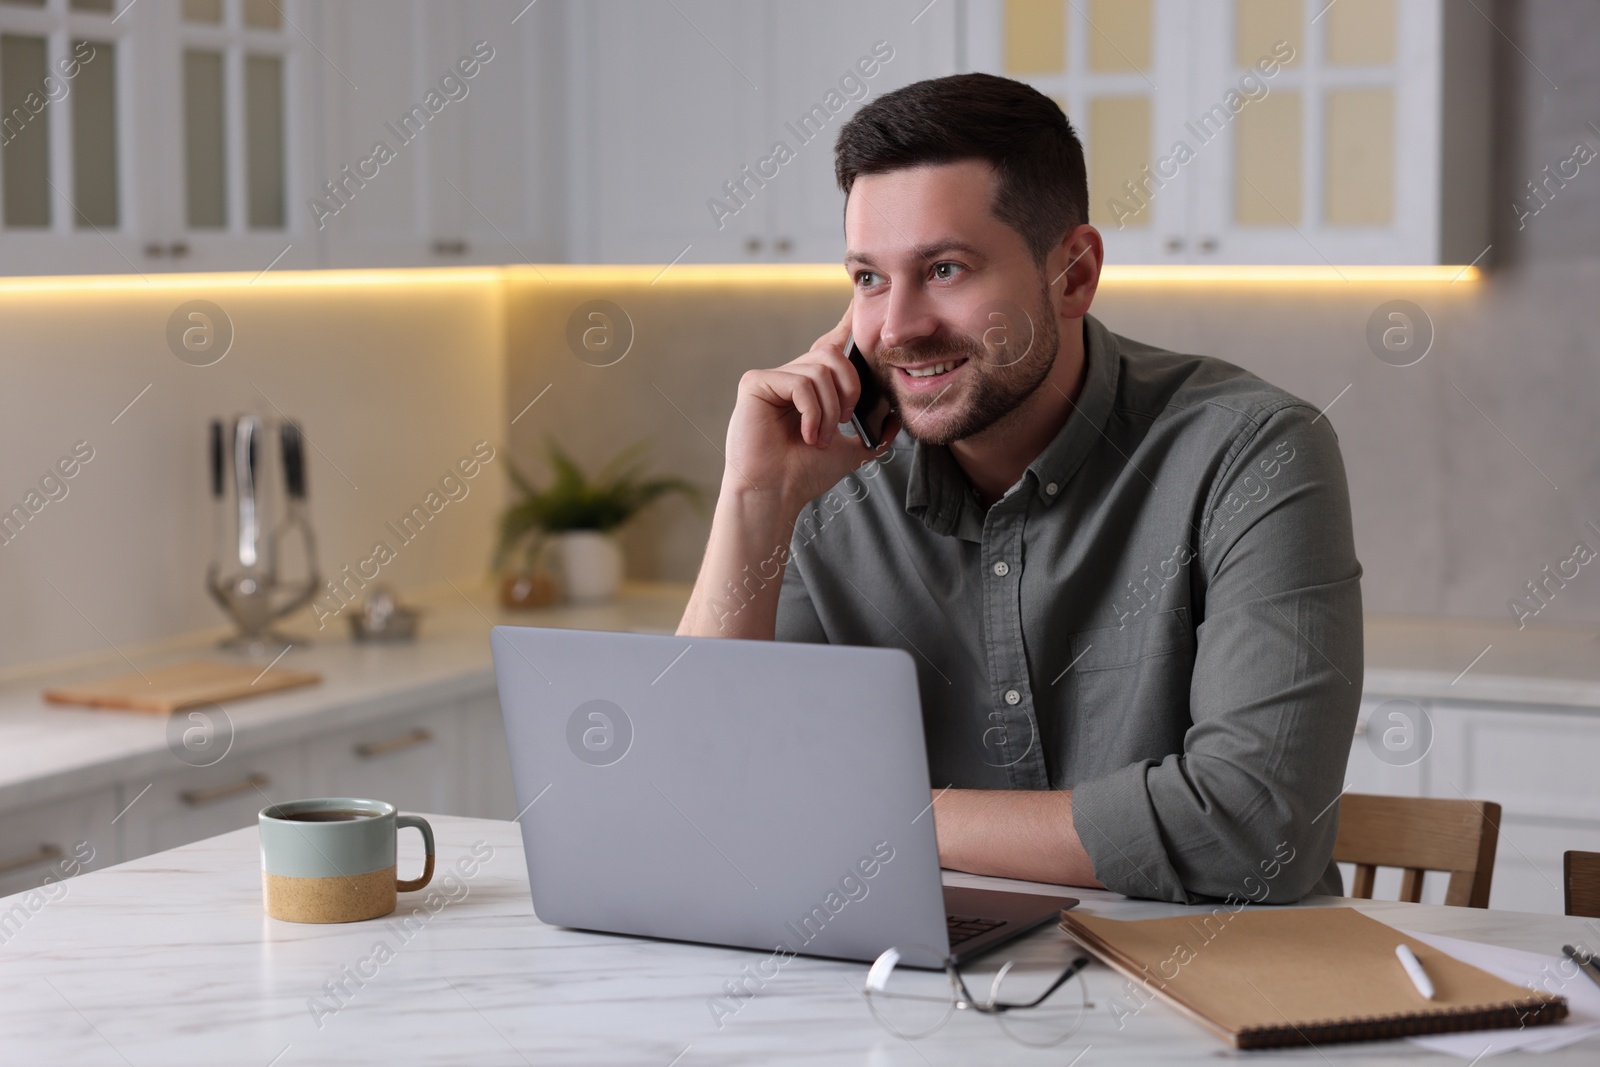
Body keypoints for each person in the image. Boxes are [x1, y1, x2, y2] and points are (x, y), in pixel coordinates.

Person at [676, 73, 1362, 904]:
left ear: (1073, 274)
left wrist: (871, 816)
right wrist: (755, 496)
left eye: (946, 268)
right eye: (869, 278)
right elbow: (698, 802)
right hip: (905, 999)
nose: (897, 328)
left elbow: (1254, 830)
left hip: (1207, 995)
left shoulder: (1252, 452)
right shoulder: (823, 480)